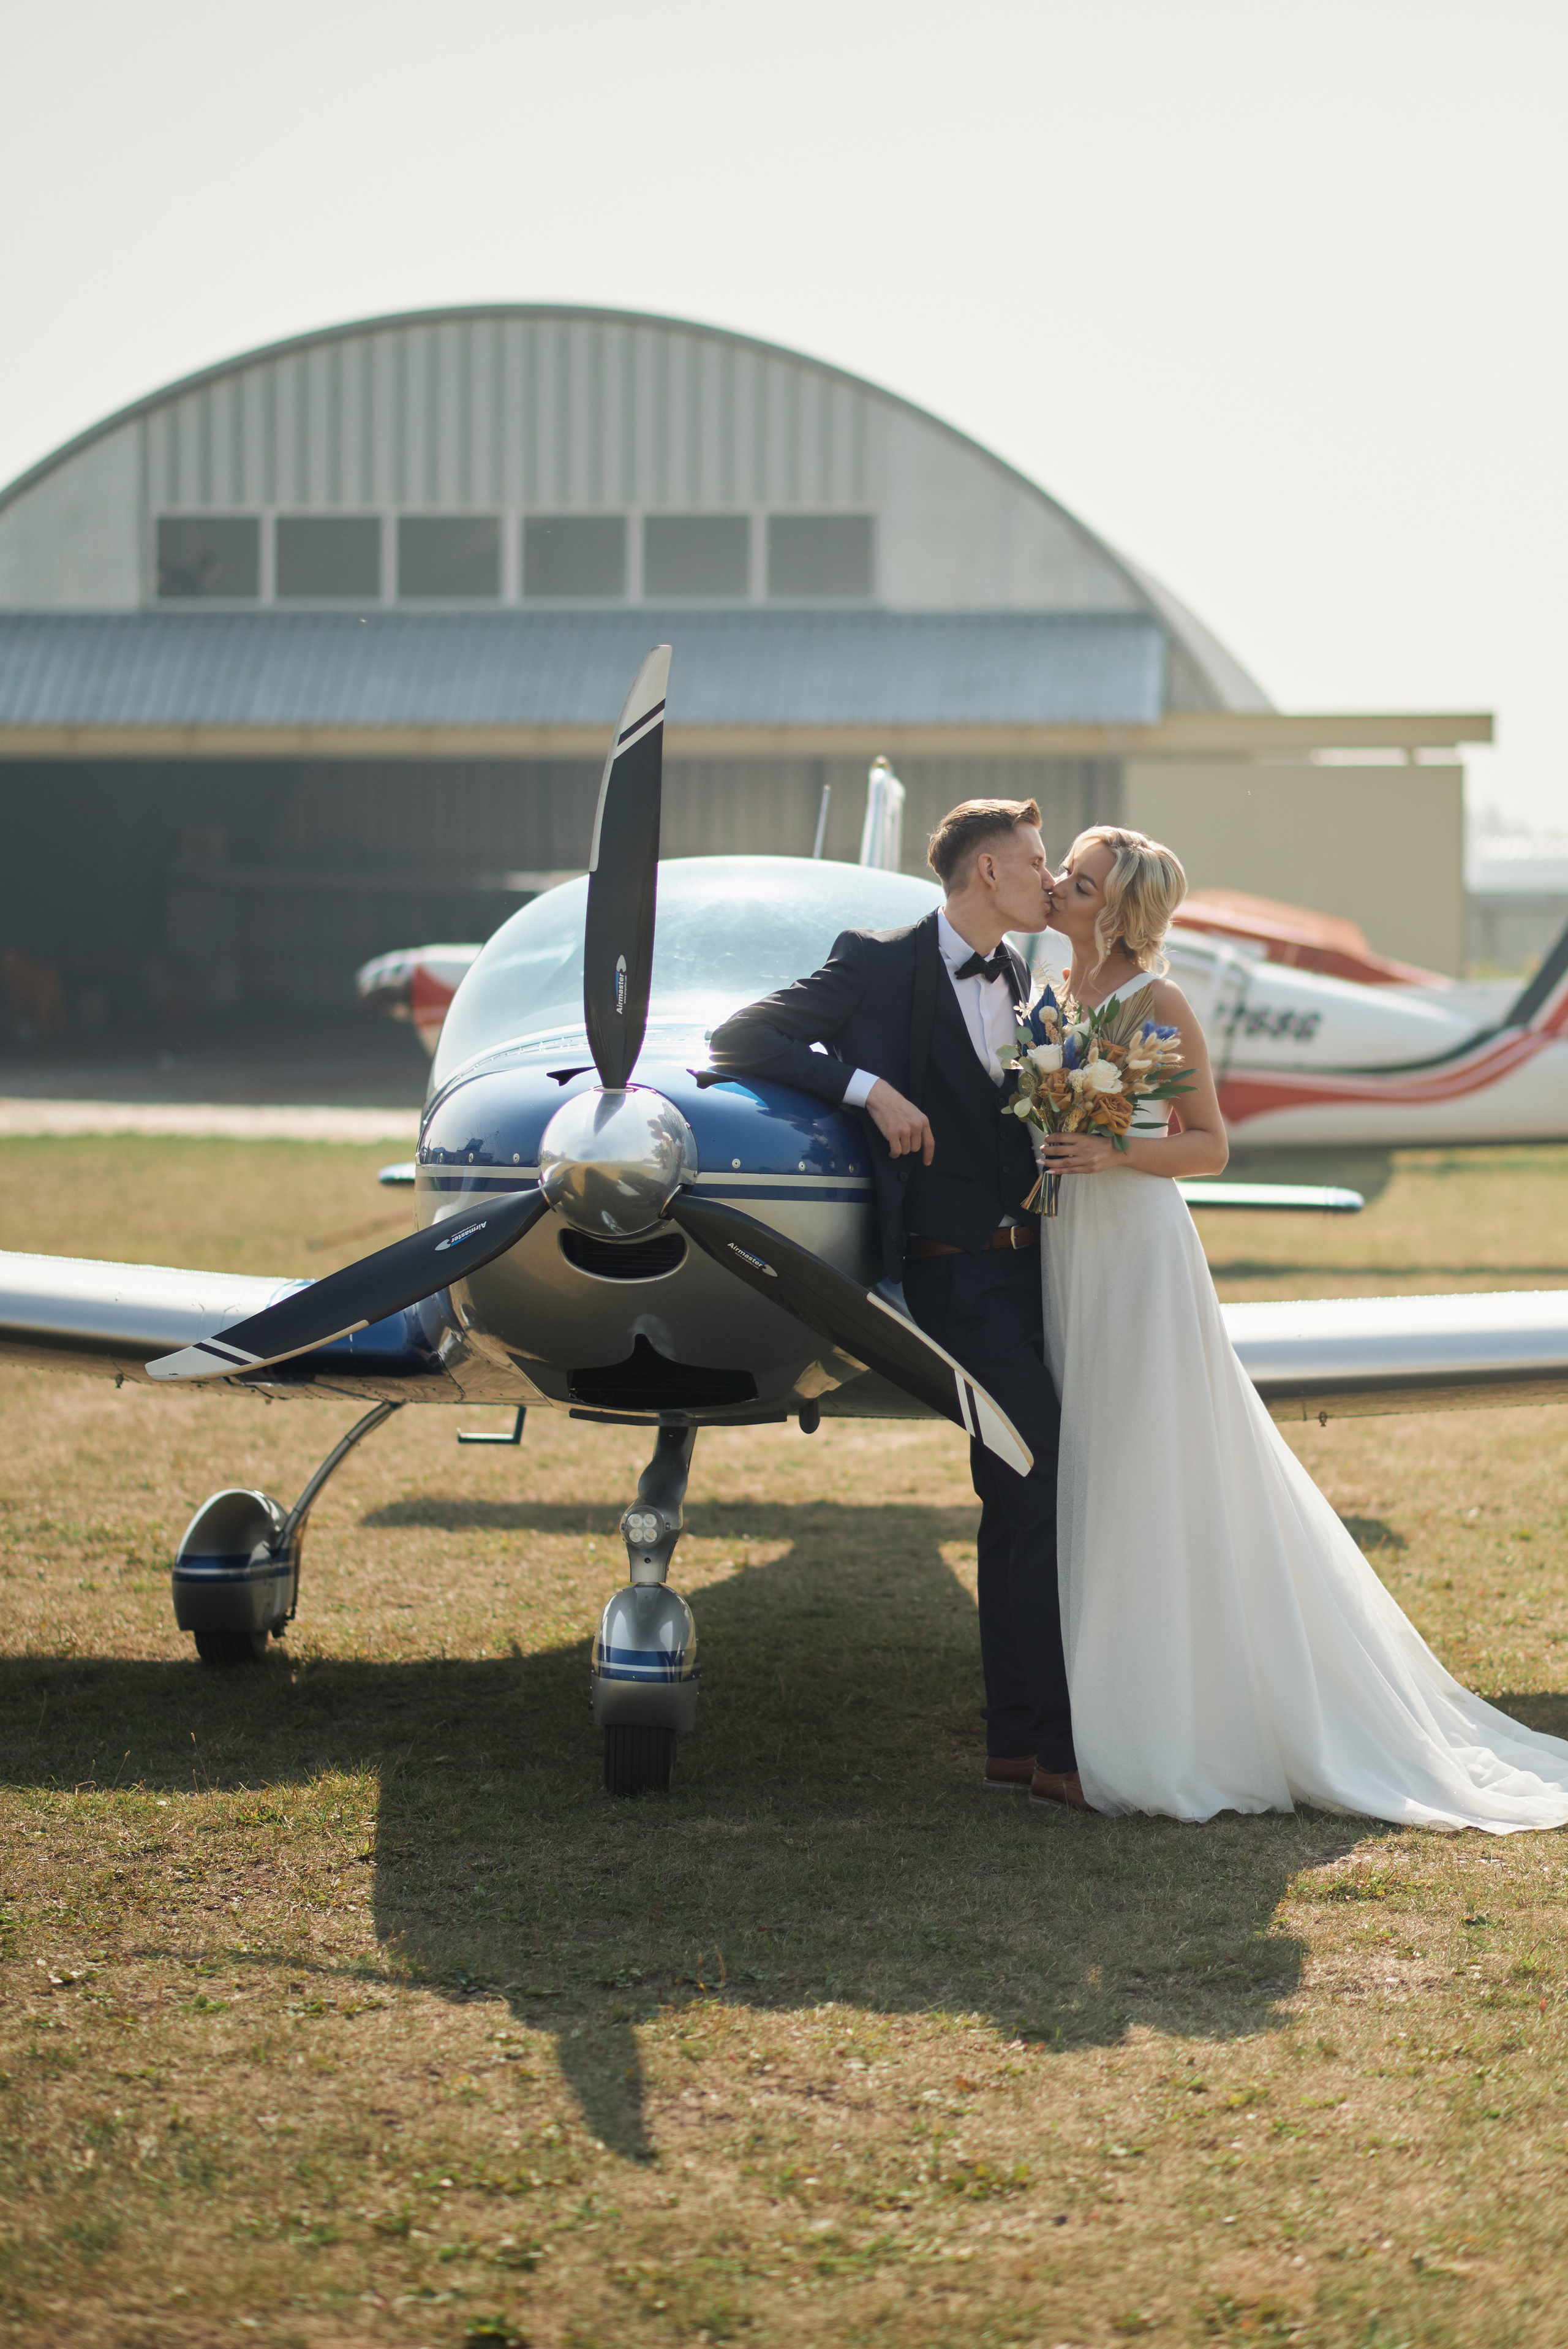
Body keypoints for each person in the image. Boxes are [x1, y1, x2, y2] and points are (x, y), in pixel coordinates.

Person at [1037, 824, 1568, 1829]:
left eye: (1082, 879)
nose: (1061, 883)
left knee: (1151, 1463)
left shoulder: (1158, 1003)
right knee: (1093, 1459)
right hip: (1072, 1250)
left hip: (1140, 1249)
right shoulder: (1054, 995)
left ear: (1118, 912)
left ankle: (1175, 1719)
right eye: (1066, 869)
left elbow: (1211, 1147)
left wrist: (1114, 1154)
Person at [709, 800, 1083, 1807]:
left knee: (1013, 1495)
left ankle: (1015, 1743)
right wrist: (868, 1088)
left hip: (1037, 1271)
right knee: (1041, 1480)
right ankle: (1062, 1753)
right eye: (1038, 862)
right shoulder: (876, 961)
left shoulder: (1024, 974)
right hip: (955, 1275)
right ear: (989, 871)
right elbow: (742, 1036)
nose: (1050, 879)